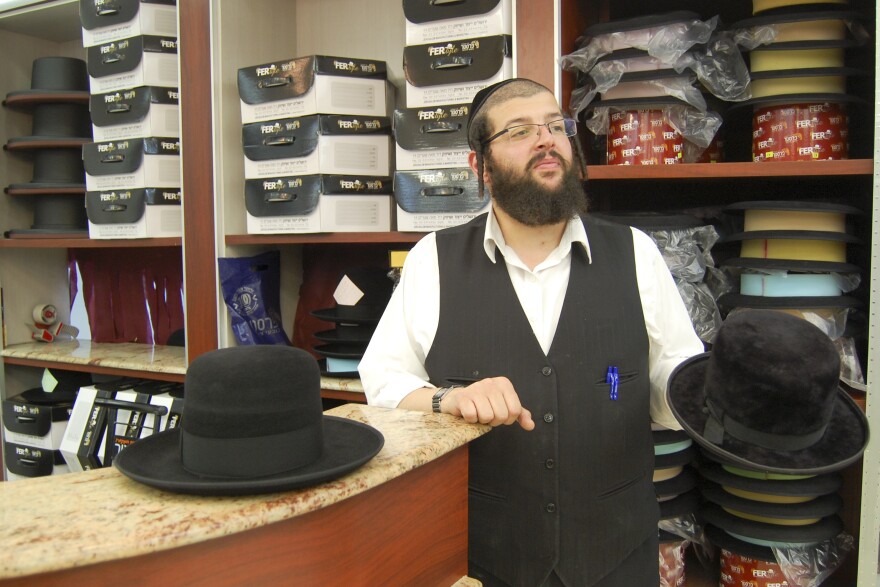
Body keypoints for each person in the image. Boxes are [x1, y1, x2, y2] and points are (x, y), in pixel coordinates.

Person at [358, 78, 704, 587]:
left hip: (616, 554)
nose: (546, 139)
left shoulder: (636, 253)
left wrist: (711, 390)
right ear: (480, 167)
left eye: (554, 126)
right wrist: (445, 400)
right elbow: (382, 384)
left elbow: (671, 382)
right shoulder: (434, 259)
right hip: (483, 557)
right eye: (519, 131)